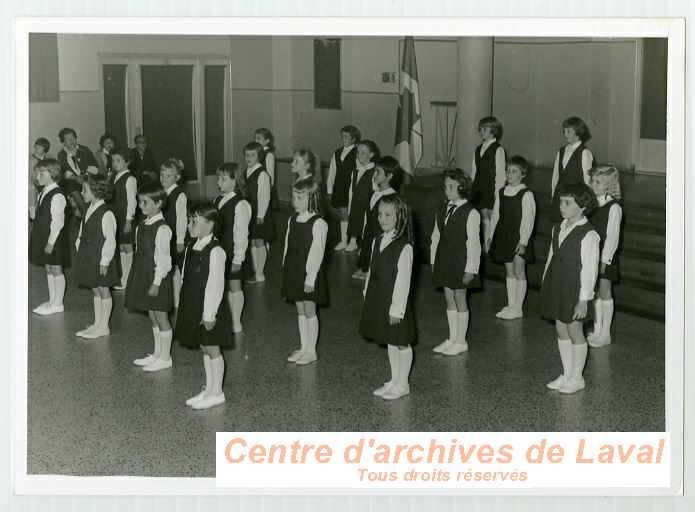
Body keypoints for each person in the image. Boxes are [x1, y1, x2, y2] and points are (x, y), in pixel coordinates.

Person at [540, 183, 599, 394]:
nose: (562, 206)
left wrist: (584, 299)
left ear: (582, 206)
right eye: (561, 202)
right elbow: (551, 257)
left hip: (575, 288)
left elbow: (590, 270)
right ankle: (566, 373)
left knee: (574, 329)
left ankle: (577, 377)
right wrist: (547, 282)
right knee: (560, 328)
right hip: (558, 284)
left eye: (567, 203)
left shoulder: (589, 234)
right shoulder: (558, 227)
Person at [175, 202, 232, 410]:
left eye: (194, 221)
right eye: (189, 220)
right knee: (203, 346)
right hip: (194, 303)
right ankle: (209, 388)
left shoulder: (215, 251)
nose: (189, 225)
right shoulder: (192, 245)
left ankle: (217, 392)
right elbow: (184, 276)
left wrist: (209, 314)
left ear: (211, 224)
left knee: (212, 347)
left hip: (210, 307)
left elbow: (215, 285)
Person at [359, 195, 415, 400]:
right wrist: (367, 293)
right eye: (380, 214)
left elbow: (403, 281)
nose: (382, 218)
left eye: (387, 215)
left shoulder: (404, 246)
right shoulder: (377, 240)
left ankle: (403, 384)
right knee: (390, 340)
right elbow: (372, 271)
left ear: (399, 217)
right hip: (380, 297)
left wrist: (397, 309)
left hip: (395, 303)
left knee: (401, 341)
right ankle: (394, 379)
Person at [430, 168, 481, 356]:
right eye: (445, 186)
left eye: (451, 186)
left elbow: (474, 244)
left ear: (463, 187)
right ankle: (452, 338)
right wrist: (433, 259)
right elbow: (436, 236)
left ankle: (461, 341)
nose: (446, 190)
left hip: (461, 261)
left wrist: (471, 269)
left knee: (460, 297)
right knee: (448, 297)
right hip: (445, 259)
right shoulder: (442, 208)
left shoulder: (471, 212)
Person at [125, 182, 174, 373]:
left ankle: (166, 357)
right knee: (152, 315)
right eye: (139, 202)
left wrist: (156, 282)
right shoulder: (143, 225)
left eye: (145, 202)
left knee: (161, 315)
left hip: (157, 278)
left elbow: (163, 259)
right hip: (144, 273)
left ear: (159, 203)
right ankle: (157, 353)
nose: (141, 206)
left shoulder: (162, 229)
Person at [281, 179, 328, 365]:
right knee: (300, 309)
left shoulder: (318, 223)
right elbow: (287, 245)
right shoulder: (293, 219)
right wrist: (285, 266)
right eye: (293, 197)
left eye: (300, 198)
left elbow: (317, 253)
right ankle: (303, 347)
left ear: (313, 198)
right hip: (294, 270)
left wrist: (311, 278)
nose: (295, 201)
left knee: (309, 309)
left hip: (309, 273)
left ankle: (311, 350)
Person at [488, 155, 536, 319]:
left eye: (514, 171)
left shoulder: (526, 194)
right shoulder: (502, 192)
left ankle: (518, 307)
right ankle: (510, 305)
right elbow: (495, 216)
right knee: (509, 271)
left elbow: (528, 220)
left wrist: (523, 241)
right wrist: (491, 235)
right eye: (508, 170)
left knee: (518, 269)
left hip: (519, 237)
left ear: (522, 174)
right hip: (504, 235)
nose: (509, 174)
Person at [74, 174, 119, 338]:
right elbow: (82, 231)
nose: (82, 192)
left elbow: (110, 240)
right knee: (95, 289)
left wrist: (104, 261)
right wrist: (79, 247)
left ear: (96, 191)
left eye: (84, 189)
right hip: (88, 255)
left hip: (100, 257)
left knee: (103, 289)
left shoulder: (106, 213)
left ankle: (104, 326)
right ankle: (97, 323)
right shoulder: (88, 208)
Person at [213, 162, 252, 335]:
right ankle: (227, 318)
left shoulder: (240, 204)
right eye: (218, 178)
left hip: (233, 250)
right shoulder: (218, 200)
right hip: (220, 249)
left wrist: (238, 257)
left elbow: (241, 233)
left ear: (235, 180)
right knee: (223, 285)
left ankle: (236, 322)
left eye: (223, 179)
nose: (219, 182)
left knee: (235, 285)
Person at [587, 165, 623, 348]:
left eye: (598, 182)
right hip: (592, 254)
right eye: (592, 181)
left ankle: (606, 333)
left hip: (605, 257)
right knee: (594, 292)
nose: (593, 185)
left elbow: (612, 238)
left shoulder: (613, 207)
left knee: (604, 291)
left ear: (609, 186)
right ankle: (597, 327)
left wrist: (605, 259)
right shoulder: (592, 204)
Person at [29, 158, 70, 316]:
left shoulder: (57, 195)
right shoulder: (45, 190)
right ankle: (52, 300)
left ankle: (58, 303)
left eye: (41, 173)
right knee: (48, 267)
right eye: (37, 173)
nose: (37, 176)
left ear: (52, 174)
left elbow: (58, 222)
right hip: (44, 235)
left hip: (54, 238)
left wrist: (51, 242)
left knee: (56, 268)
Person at [353, 155, 402, 280]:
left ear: (389, 176)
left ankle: (372, 270)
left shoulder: (393, 198)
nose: (374, 174)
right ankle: (365, 267)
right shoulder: (372, 194)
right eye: (374, 171)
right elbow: (367, 217)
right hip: (369, 233)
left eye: (378, 172)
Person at [550, 116, 594, 223]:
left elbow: (588, 180)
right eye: (564, 131)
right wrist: (553, 194)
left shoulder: (584, 153)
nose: (565, 134)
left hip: (574, 199)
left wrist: (584, 201)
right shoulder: (561, 151)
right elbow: (556, 174)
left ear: (578, 132)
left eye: (568, 131)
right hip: (560, 197)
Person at [470, 116, 506, 248]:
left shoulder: (498, 149)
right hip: (480, 188)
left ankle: (493, 244)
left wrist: (497, 193)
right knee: (483, 215)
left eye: (485, 129)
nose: (481, 132)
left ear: (493, 130)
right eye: (480, 129)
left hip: (491, 188)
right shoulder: (478, 149)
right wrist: (472, 188)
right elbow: (474, 170)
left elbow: (501, 174)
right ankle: (486, 245)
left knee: (492, 216)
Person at [244, 141, 275, 283]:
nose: (249, 157)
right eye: (247, 155)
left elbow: (264, 196)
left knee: (259, 242)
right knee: (251, 242)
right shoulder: (245, 172)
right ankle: (255, 271)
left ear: (259, 156)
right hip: (249, 213)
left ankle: (260, 273)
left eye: (252, 155)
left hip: (259, 214)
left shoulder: (262, 174)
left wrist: (261, 215)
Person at [159, 158, 188, 310]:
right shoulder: (162, 193)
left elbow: (182, 220)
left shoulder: (179, 195)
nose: (164, 178)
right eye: (162, 174)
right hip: (165, 236)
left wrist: (180, 240)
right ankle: (170, 297)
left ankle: (178, 300)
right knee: (167, 267)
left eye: (168, 175)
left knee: (176, 268)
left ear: (176, 177)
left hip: (176, 237)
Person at [327, 125, 360, 250]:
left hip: (351, 188)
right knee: (343, 213)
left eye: (346, 137)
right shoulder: (337, 153)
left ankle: (353, 241)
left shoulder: (357, 153)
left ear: (353, 139)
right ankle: (343, 241)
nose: (343, 139)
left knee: (353, 214)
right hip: (340, 188)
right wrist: (330, 190)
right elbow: (332, 172)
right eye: (342, 136)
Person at [110, 146, 138, 290]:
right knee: (121, 247)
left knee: (128, 246)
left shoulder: (130, 179)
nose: (115, 163)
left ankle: (130, 278)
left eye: (118, 160)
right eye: (113, 160)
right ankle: (124, 278)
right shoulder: (115, 177)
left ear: (127, 162)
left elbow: (132, 201)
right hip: (117, 217)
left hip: (126, 217)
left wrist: (128, 219)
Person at [56, 127, 98, 218]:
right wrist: (76, 178)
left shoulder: (85, 150)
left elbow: (94, 166)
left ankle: (90, 212)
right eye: (68, 139)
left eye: (73, 138)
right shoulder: (61, 154)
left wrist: (85, 175)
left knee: (91, 187)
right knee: (73, 189)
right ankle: (87, 215)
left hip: (88, 177)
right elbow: (63, 172)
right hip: (73, 181)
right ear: (63, 143)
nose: (72, 141)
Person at [346, 139, 380, 252]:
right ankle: (353, 241)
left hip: (367, 204)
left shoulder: (374, 172)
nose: (359, 155)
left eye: (363, 152)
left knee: (366, 224)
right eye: (358, 152)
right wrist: (350, 206)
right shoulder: (355, 171)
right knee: (354, 221)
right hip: (356, 203)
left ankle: (366, 246)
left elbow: (376, 192)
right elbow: (351, 191)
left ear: (371, 154)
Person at [254, 128, 279, 210]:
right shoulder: (257, 154)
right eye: (255, 138)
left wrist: (267, 190)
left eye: (259, 139)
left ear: (267, 141)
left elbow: (271, 175)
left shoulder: (269, 155)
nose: (256, 141)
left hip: (266, 188)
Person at [29, 137, 52, 220]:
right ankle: (33, 213)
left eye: (40, 147)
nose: (36, 149)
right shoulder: (30, 159)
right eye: (36, 146)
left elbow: (53, 171)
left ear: (45, 149)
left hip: (47, 181)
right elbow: (30, 175)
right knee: (32, 188)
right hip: (34, 181)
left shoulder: (50, 158)